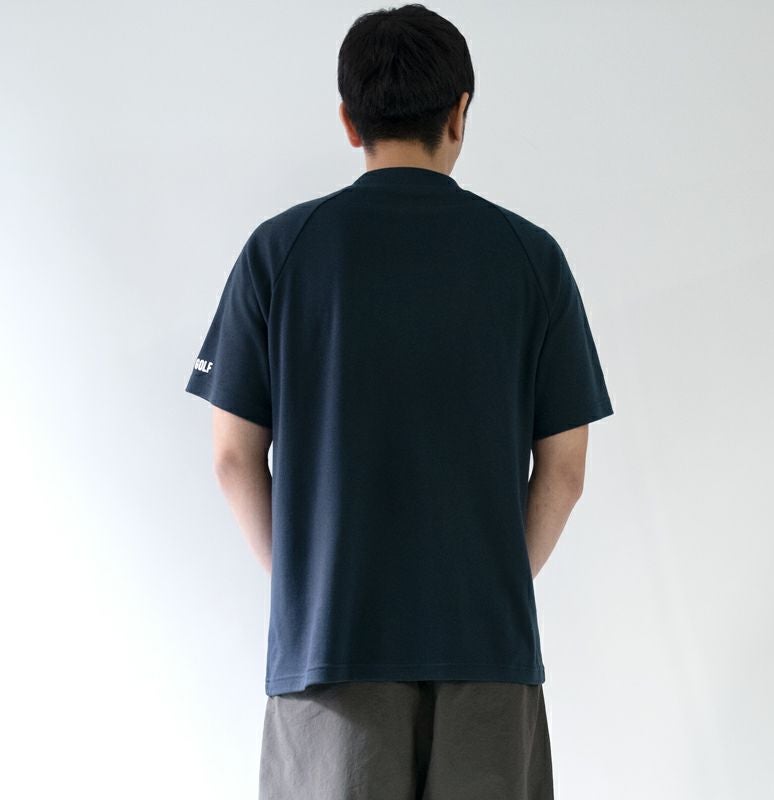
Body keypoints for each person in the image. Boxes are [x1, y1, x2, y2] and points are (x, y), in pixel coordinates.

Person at [185, 4, 614, 798]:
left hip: (331, 655)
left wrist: (307, 585)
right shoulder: (530, 258)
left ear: (349, 121)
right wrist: (494, 581)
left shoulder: (280, 252)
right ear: (460, 114)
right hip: (486, 652)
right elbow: (565, 469)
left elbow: (232, 457)